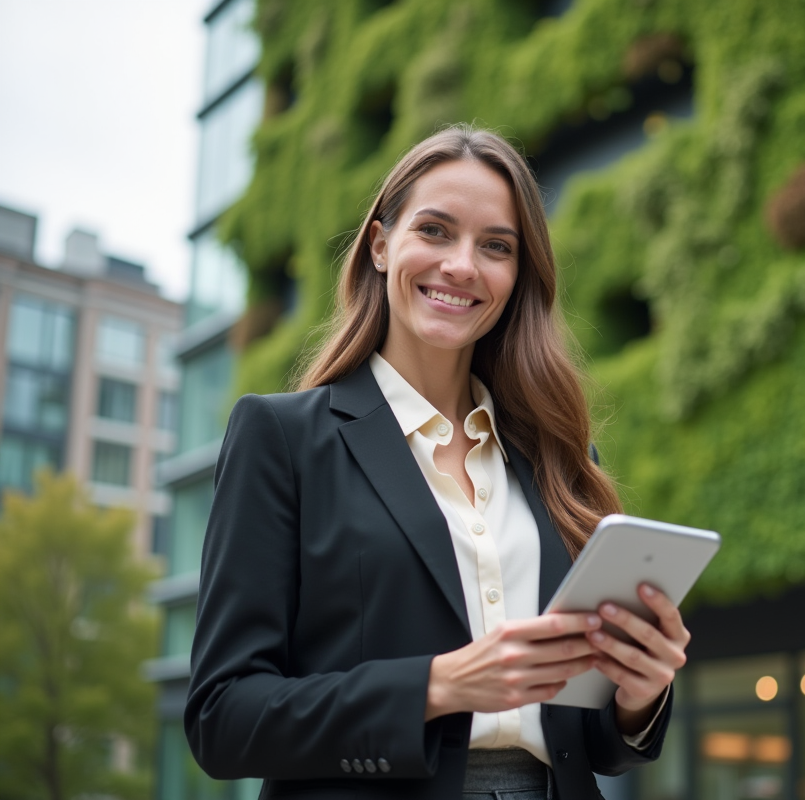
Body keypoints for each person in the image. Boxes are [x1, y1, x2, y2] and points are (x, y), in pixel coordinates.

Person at [184, 125, 692, 799]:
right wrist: (437, 686)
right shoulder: (281, 440)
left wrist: (639, 692)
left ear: (517, 276)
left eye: (496, 246)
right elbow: (224, 718)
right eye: (435, 230)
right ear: (380, 245)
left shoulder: (556, 458)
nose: (462, 265)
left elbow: (586, 739)